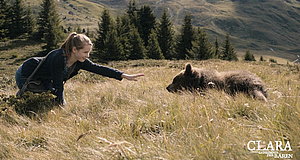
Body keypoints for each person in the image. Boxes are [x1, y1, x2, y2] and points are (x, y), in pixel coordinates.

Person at [15, 32, 144, 105]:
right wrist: (61, 103)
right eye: (85, 52)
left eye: (89, 53)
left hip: (44, 79)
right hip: (26, 74)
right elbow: (58, 83)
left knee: (48, 102)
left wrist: (123, 75)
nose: (87, 56)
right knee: (36, 103)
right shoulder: (59, 57)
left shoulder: (79, 60)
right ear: (74, 50)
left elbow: (98, 68)